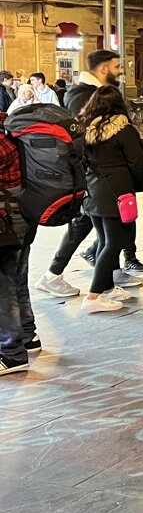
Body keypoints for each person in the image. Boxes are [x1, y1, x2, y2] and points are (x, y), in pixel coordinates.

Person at [34, 50, 132, 298]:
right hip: (92, 175)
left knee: (94, 224)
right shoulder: (83, 95)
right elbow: (89, 137)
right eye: (117, 66)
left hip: (95, 176)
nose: (121, 71)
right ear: (103, 69)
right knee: (85, 222)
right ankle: (54, 275)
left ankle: (107, 276)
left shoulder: (89, 92)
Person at [77, 87, 143, 313]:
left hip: (93, 192)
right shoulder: (123, 130)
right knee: (115, 242)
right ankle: (93, 296)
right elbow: (137, 162)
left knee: (103, 240)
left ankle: (107, 288)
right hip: (116, 193)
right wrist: (137, 183)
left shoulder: (87, 129)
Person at [0, 110, 35, 376]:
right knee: (18, 277)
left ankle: (12, 353)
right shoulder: (10, 128)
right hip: (23, 212)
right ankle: (28, 335)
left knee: (4, 287)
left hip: (6, 221)